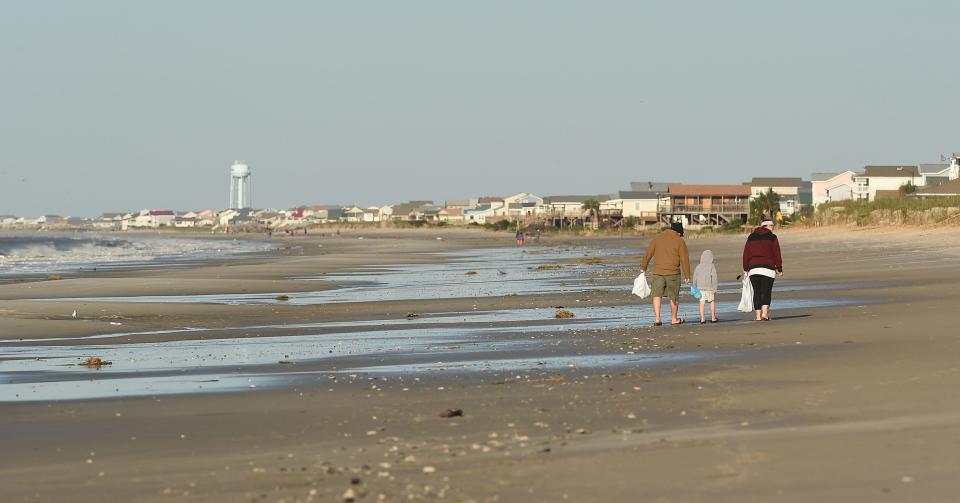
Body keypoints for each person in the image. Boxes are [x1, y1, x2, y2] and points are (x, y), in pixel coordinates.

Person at [640, 221, 691, 326]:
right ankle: (674, 319)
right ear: (679, 232)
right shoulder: (679, 241)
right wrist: (687, 275)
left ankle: (658, 319)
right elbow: (684, 259)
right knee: (674, 296)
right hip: (673, 273)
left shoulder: (657, 238)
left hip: (658, 272)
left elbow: (648, 253)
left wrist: (643, 267)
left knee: (656, 295)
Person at [742, 220, 783, 321]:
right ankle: (764, 314)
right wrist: (779, 268)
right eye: (771, 226)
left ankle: (757, 316)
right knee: (766, 291)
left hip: (753, 268)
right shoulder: (772, 237)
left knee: (757, 292)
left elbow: (746, 253)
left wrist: (745, 268)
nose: (772, 228)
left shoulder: (751, 237)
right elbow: (777, 253)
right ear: (766, 226)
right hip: (768, 268)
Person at [692, 249, 718, 324]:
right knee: (712, 301)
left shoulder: (698, 266)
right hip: (709, 288)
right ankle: (713, 318)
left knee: (701, 303)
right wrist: (714, 288)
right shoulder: (712, 266)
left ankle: (702, 319)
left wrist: (694, 287)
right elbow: (714, 278)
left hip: (700, 288)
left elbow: (695, 278)